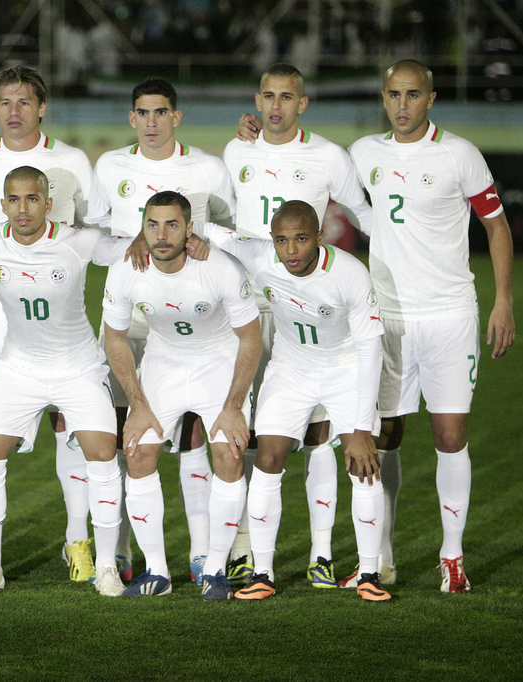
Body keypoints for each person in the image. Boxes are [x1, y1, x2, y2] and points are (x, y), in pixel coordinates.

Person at [0, 166, 129, 597]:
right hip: (18, 368)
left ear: (48, 203)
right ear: (3, 203)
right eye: (13, 199)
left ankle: (106, 566)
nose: (22, 208)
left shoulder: (77, 241)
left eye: (32, 199)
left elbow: (131, 248)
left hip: (79, 367)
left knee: (103, 457)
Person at [344, 60, 515, 592]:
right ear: (383, 96)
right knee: (384, 434)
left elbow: (497, 225)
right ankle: (383, 558)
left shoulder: (458, 154)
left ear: (431, 99)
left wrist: (503, 300)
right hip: (387, 317)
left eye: (412, 95)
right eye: (393, 94)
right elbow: (314, 174)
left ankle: (452, 557)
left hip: (448, 316)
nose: (401, 105)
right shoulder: (363, 153)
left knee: (449, 435)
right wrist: (256, 137)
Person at [225, 62, 374, 589]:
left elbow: (366, 216)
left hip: (301, 298)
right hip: (245, 302)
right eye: (267, 96)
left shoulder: (330, 157)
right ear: (257, 99)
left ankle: (322, 552)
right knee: (243, 430)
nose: (275, 107)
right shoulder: (237, 149)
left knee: (319, 432)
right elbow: (226, 223)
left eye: (286, 97)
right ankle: (244, 550)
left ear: (302, 104)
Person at [0, 67, 109, 584]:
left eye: (25, 101)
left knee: (70, 425)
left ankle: (77, 540)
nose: (15, 110)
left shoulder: (69, 162)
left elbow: (95, 226)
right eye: (6, 101)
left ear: (41, 107)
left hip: (59, 311)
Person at [199, 200, 391, 602]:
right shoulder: (261, 255)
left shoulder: (350, 274)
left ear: (320, 236)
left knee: (362, 464)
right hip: (291, 370)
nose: (290, 251)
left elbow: (372, 350)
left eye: (301, 239)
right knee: (267, 460)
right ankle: (263, 574)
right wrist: (178, 235)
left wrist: (359, 429)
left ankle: (370, 571)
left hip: (345, 369)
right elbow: (214, 232)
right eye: (282, 241)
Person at [93, 76, 236, 584]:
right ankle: (125, 551)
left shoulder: (209, 169)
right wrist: (126, 247)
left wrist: (203, 244)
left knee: (197, 434)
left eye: (161, 112)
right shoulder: (110, 167)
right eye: (142, 113)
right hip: (131, 320)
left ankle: (204, 553)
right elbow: (95, 237)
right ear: (131, 118)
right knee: (128, 436)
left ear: (176, 116)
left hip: (193, 323)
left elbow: (228, 232)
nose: (151, 122)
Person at [102, 192, 261, 600]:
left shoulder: (219, 268)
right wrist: (136, 404)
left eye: (172, 224)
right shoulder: (126, 271)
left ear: (189, 228)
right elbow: (115, 339)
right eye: (152, 224)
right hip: (164, 362)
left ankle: (214, 570)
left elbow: (250, 339)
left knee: (228, 453)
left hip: (218, 361)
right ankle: (157, 572)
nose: (161, 234)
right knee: (137, 452)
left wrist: (233, 407)